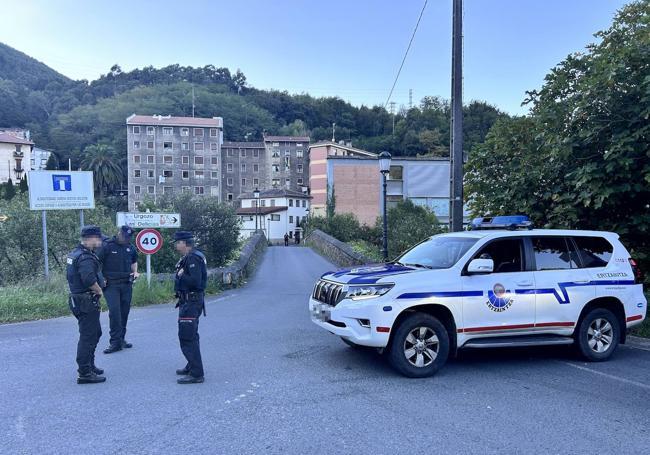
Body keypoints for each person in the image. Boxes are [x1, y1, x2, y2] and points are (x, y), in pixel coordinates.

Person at [66, 225, 106, 384]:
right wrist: (99, 291)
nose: (100, 241)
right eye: (98, 238)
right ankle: (84, 372)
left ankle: (89, 365)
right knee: (88, 336)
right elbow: (88, 279)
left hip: (78, 299)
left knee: (95, 333)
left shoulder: (75, 254)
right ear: (90, 239)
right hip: (85, 300)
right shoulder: (85, 257)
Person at [97, 225, 139, 354]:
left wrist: (135, 272)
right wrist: (101, 278)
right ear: (119, 233)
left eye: (128, 237)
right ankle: (114, 342)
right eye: (124, 236)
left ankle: (121, 339)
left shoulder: (130, 247)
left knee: (124, 312)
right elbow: (97, 263)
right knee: (115, 313)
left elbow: (134, 261)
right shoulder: (107, 246)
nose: (126, 239)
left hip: (126, 284)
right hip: (111, 285)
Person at [173, 231, 207, 384]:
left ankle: (196, 373)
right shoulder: (193, 256)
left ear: (184, 243)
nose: (176, 244)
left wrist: (181, 275)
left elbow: (195, 281)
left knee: (187, 336)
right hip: (191, 301)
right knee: (192, 334)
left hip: (191, 302)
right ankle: (191, 364)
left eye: (178, 242)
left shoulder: (193, 258)